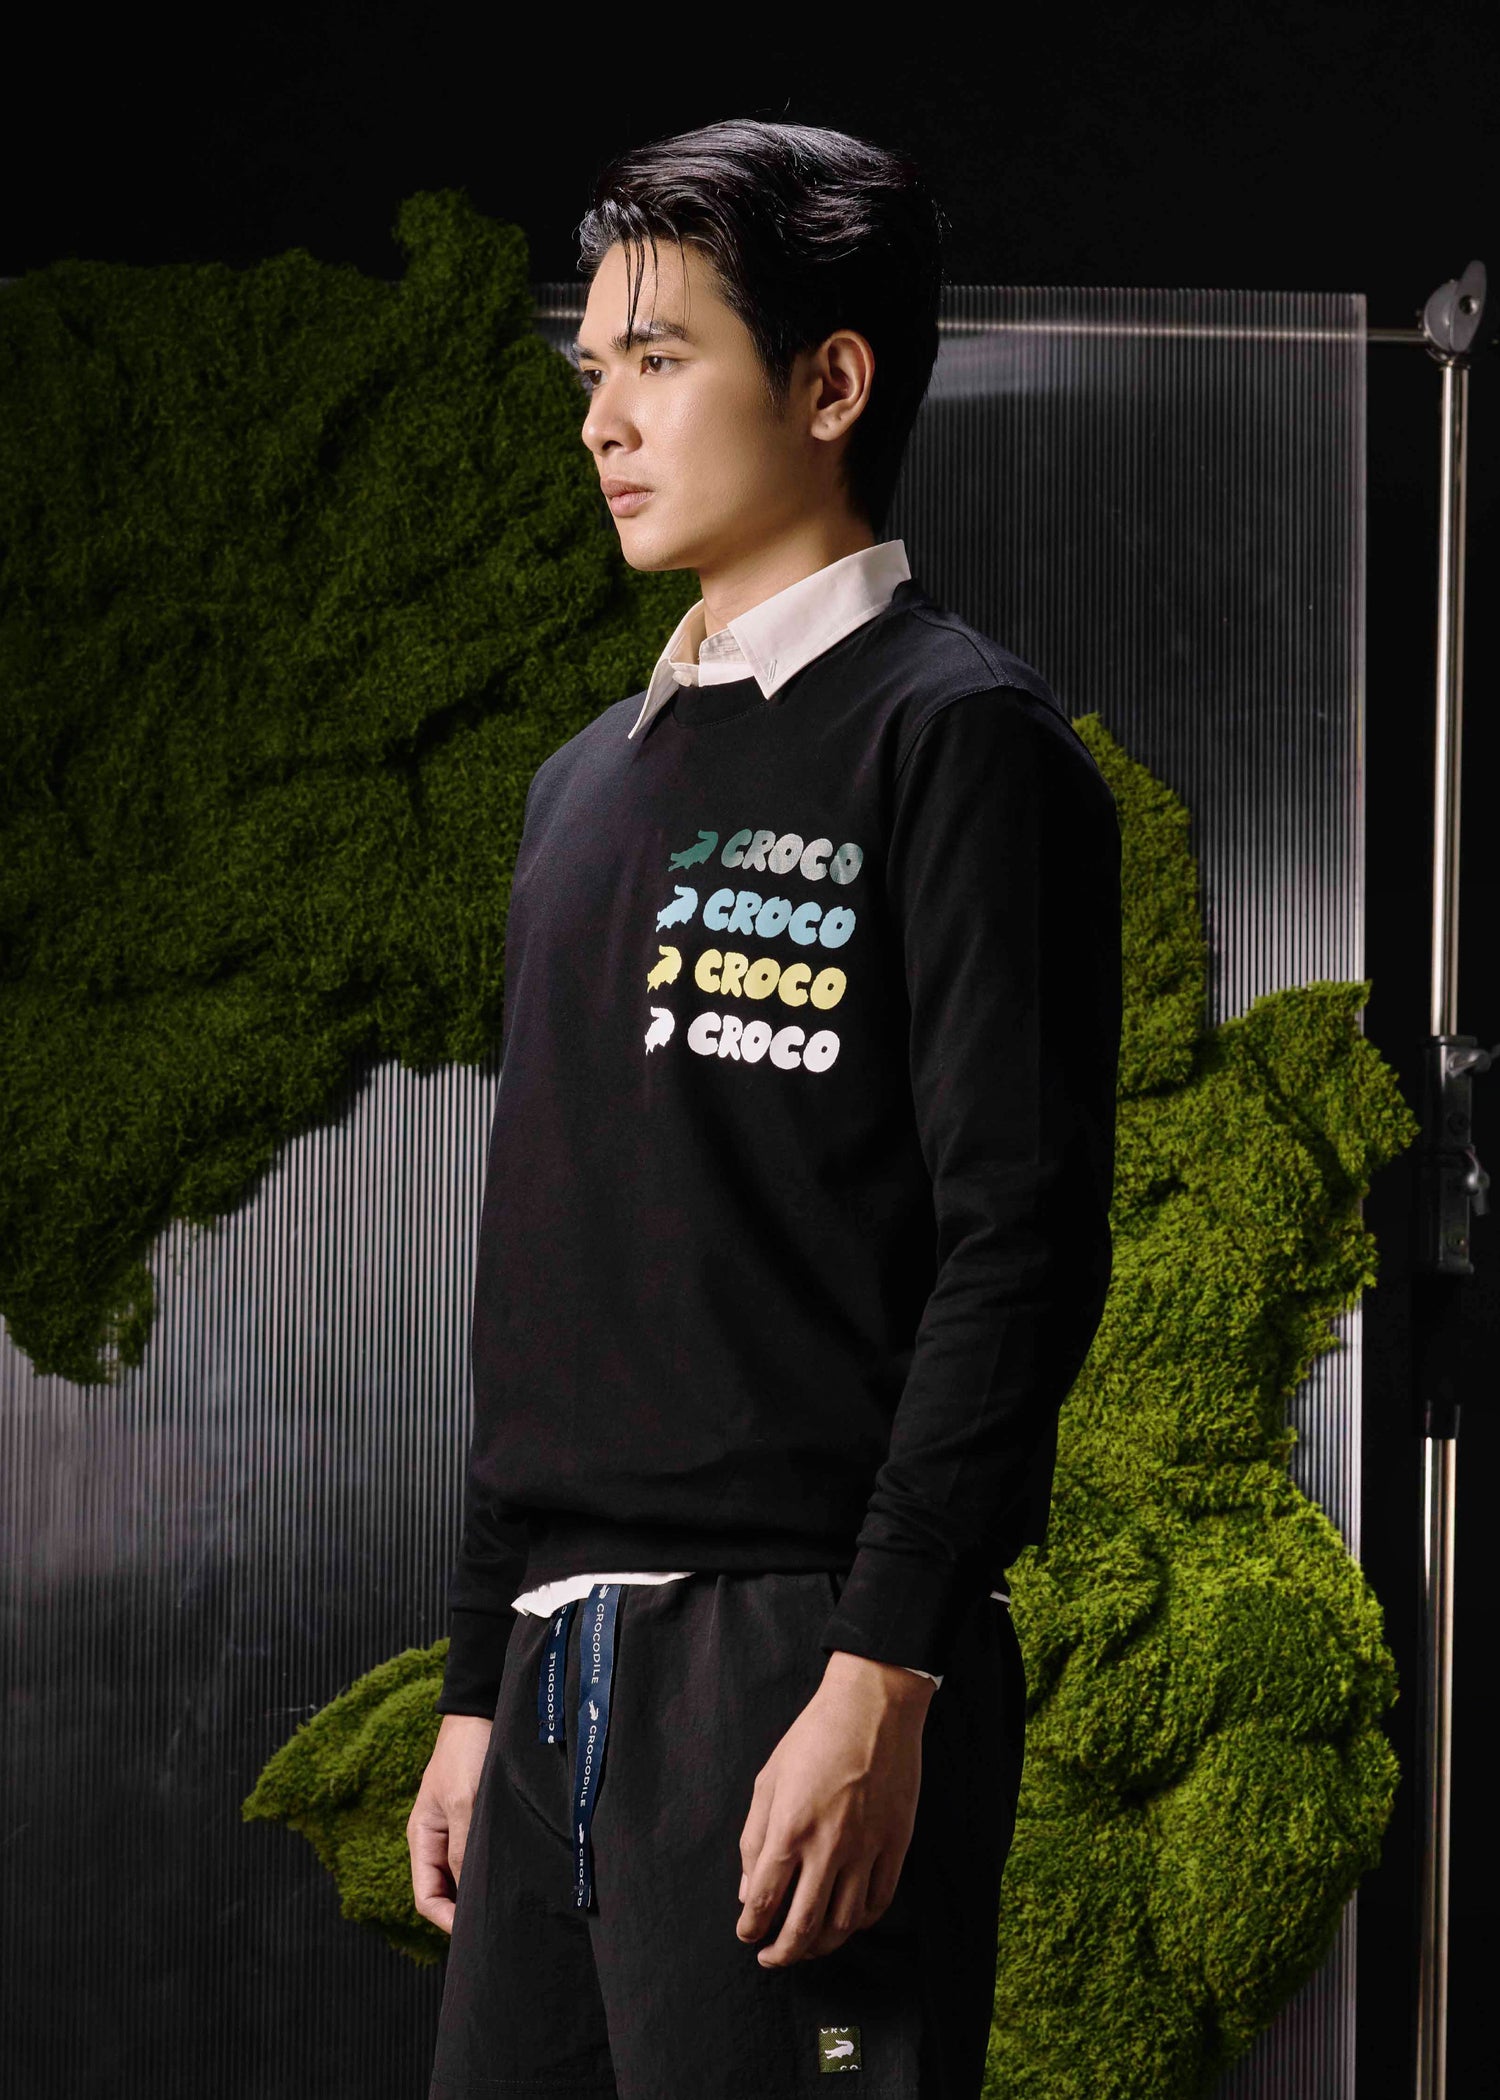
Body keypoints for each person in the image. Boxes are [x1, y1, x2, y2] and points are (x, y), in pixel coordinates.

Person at [409, 117, 1122, 2099]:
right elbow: (545, 1264)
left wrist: (883, 1666)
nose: (603, 422)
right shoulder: (579, 789)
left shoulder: (958, 741)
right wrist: (477, 1680)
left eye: (659, 359)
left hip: (798, 1657)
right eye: (594, 371)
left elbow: (1022, 1238)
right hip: (553, 1670)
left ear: (830, 384)